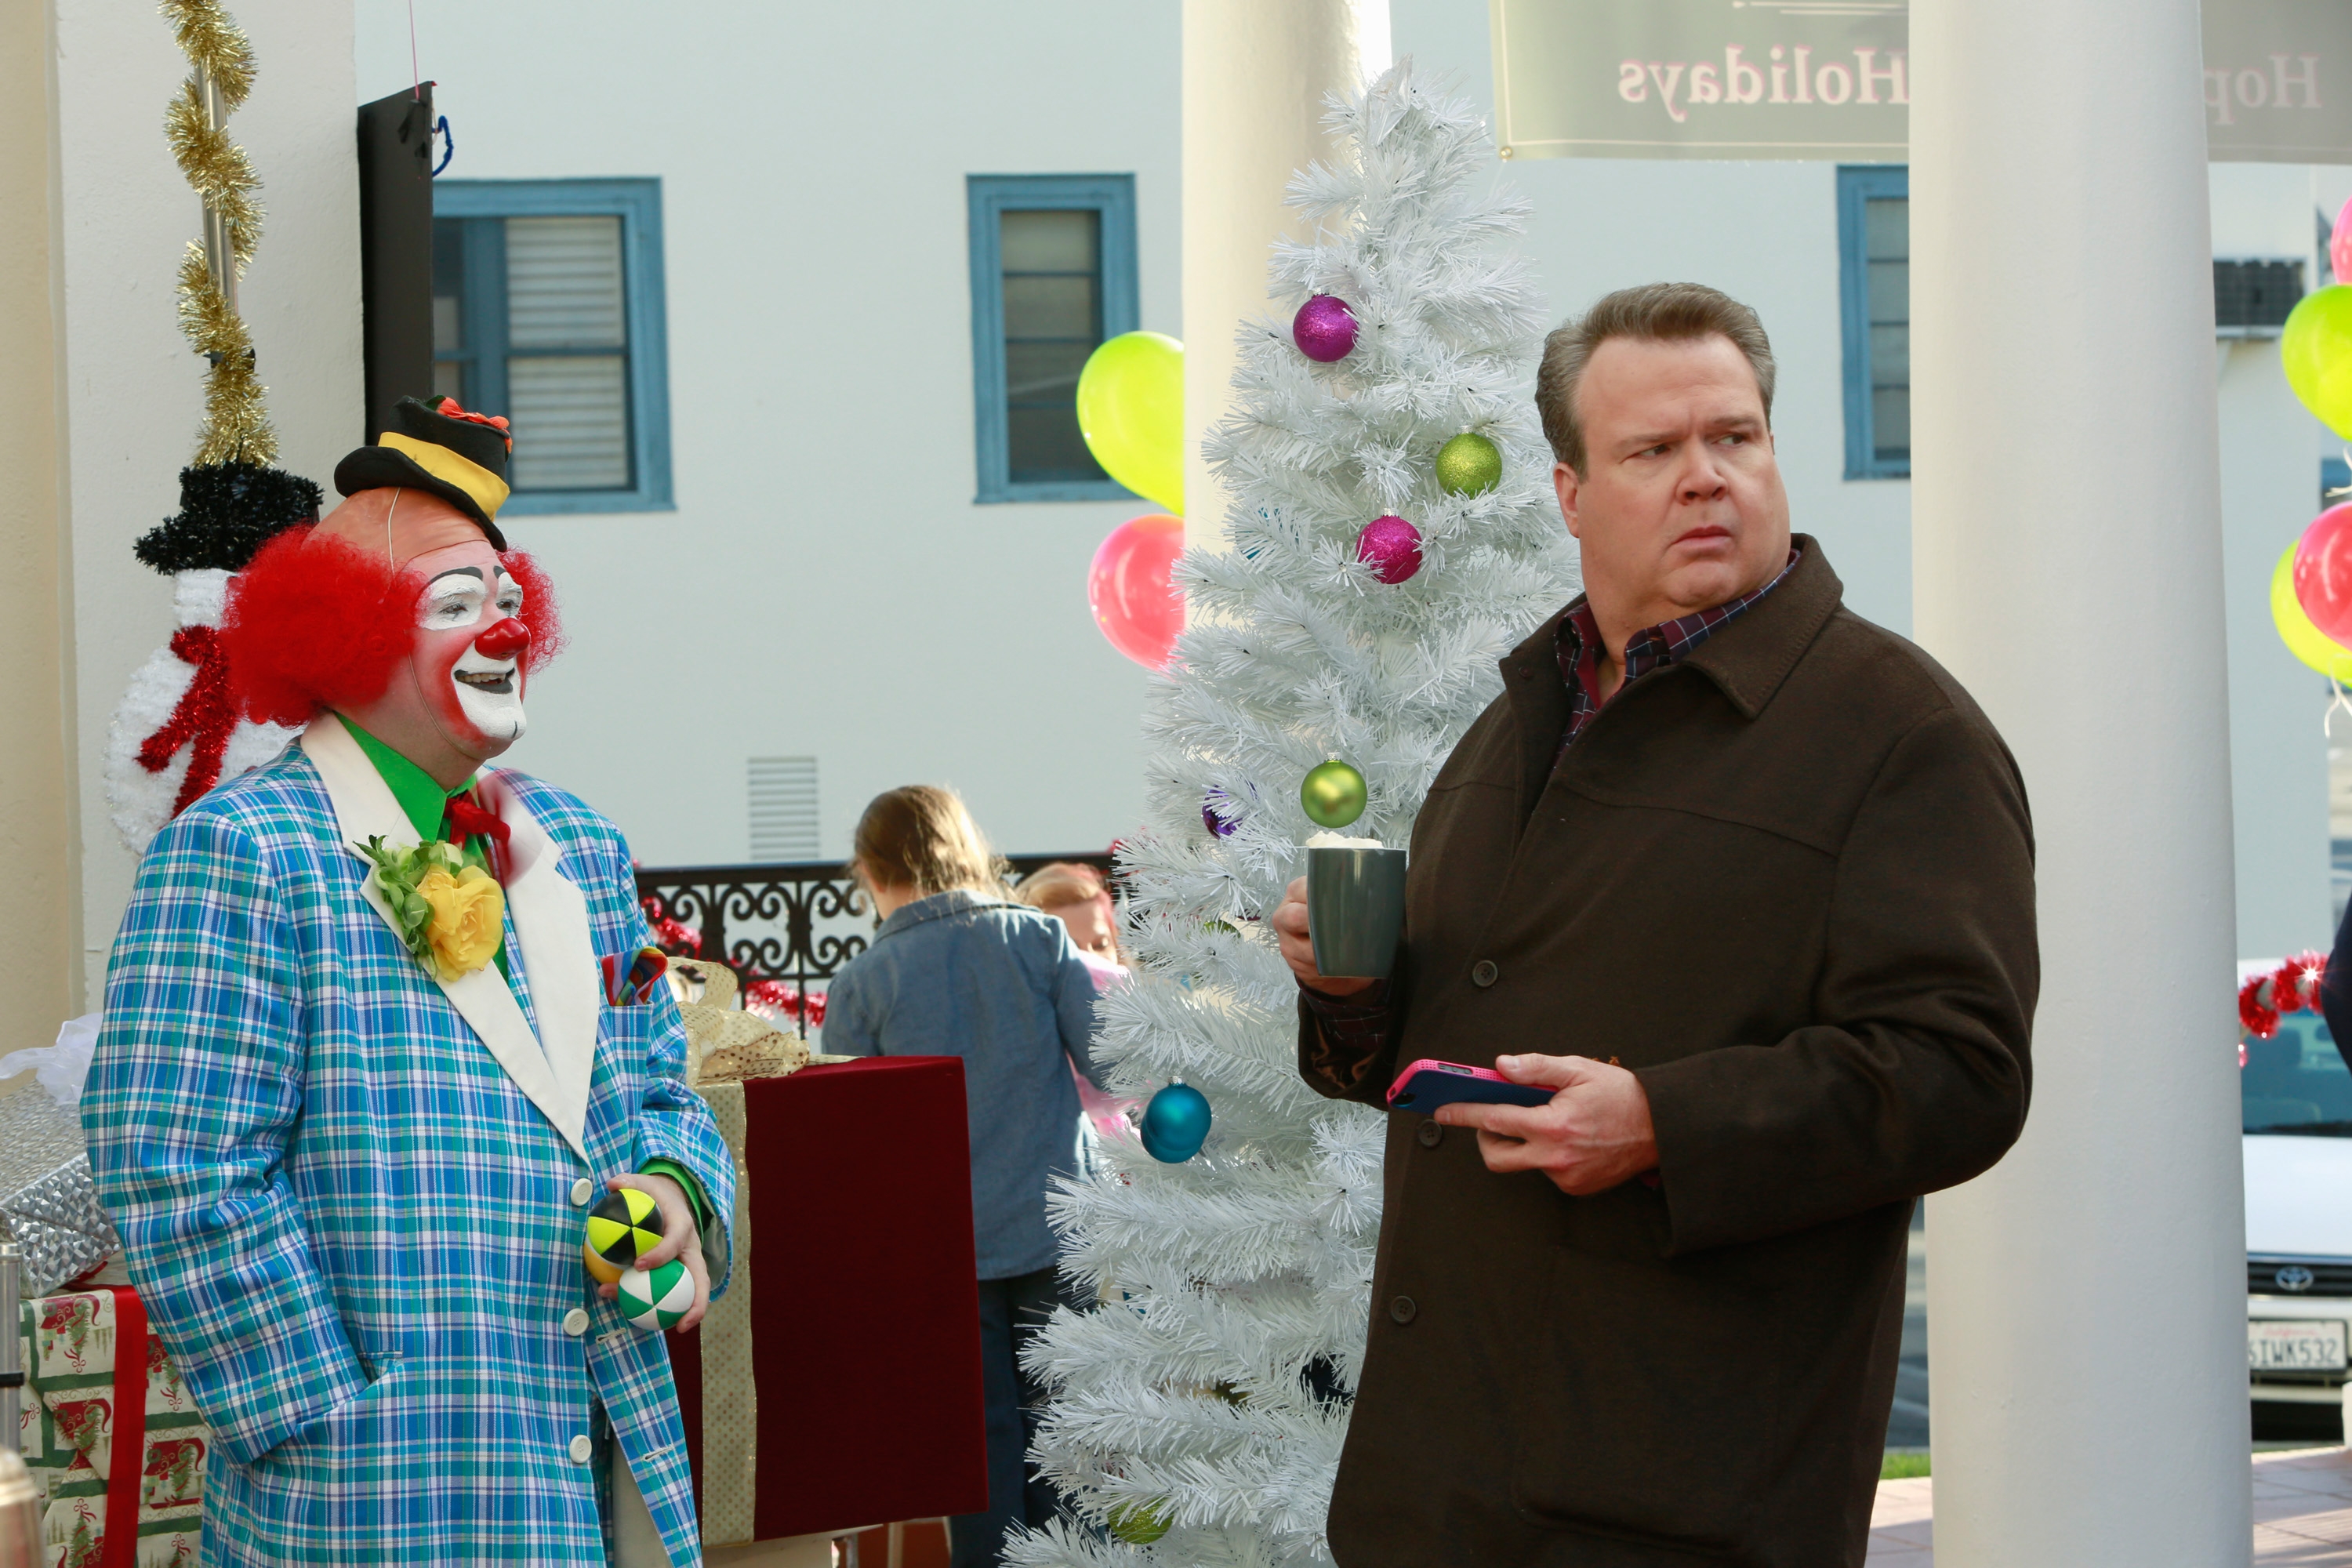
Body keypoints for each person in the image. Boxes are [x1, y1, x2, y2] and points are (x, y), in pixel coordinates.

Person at [1269, 283, 2038, 1567]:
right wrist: (1349, 990)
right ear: (1570, 494)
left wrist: (1663, 1127)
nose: (1704, 478)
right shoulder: (1524, 712)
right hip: (1435, 1487)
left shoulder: (1902, 736)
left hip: (1682, 1501)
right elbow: (1440, 1049)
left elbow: (1962, 1074)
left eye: (1734, 438)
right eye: (1653, 451)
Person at [82, 397, 736, 1568]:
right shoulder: (242, 851)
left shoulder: (578, 844)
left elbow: (660, 1091)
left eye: (506, 603)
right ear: (347, 635)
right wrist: (328, 1416)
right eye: (455, 606)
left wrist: (682, 1198)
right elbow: (175, 1167)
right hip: (368, 1509)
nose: (499, 634)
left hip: (595, 1473)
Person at [823, 789, 1106, 1568]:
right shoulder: (1039, 938)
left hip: (942, 1250)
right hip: (1058, 1222)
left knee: (979, 1452)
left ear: (870, 872)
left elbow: (848, 1140)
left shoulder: (862, 983)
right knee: (1072, 1431)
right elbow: (1110, 1064)